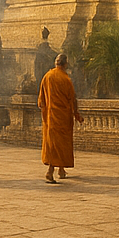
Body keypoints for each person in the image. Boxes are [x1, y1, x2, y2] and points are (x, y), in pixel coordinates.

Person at [37, 52, 84, 184]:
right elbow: (72, 99)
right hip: (63, 118)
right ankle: (50, 172)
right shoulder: (66, 79)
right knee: (60, 144)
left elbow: (41, 101)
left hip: (51, 118)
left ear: (56, 63)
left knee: (54, 144)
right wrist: (77, 114)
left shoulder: (47, 76)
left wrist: (46, 113)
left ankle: (61, 170)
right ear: (65, 64)